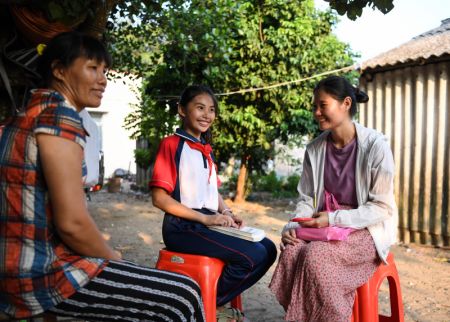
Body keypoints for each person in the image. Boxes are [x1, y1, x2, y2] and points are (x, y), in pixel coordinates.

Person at [0, 31, 205, 322]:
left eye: (105, 70)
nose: (103, 79)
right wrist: (112, 256)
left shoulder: (27, 113)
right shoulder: (58, 117)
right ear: (59, 70)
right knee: (182, 295)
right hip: (40, 276)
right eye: (92, 68)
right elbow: (72, 223)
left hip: (21, 266)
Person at [269, 75, 398, 322]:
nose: (316, 112)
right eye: (314, 106)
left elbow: (381, 207)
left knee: (315, 256)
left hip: (365, 228)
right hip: (325, 224)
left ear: (346, 104)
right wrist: (294, 226)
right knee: (292, 252)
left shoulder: (375, 146)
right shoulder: (315, 149)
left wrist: (333, 218)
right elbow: (307, 198)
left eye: (323, 105)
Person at [150, 85, 277, 322]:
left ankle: (211, 301)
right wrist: (206, 218)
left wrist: (226, 211)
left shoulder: (205, 150)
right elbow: (159, 198)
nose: (207, 115)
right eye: (200, 108)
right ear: (181, 110)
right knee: (252, 257)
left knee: (268, 249)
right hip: (183, 227)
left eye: (211, 110)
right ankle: (204, 305)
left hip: (206, 224)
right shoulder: (172, 145)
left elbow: (211, 190)